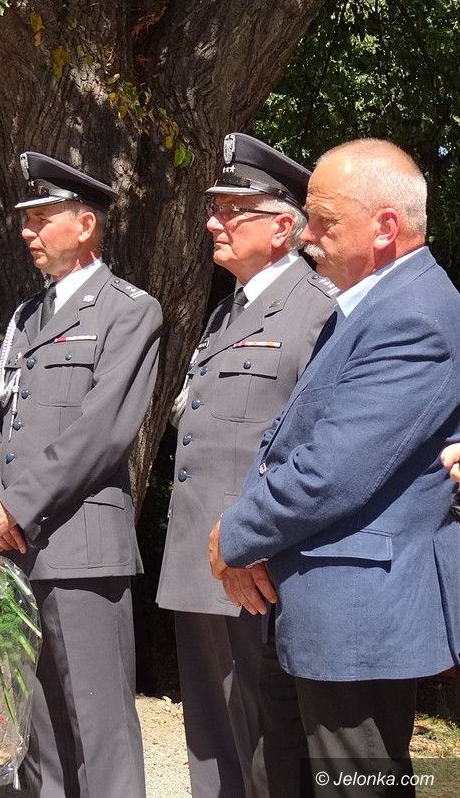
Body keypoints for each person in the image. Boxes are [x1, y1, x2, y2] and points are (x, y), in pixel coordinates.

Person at [210, 139, 460, 795]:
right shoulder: (371, 304)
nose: (305, 234)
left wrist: (235, 536)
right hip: (316, 604)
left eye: (323, 220)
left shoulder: (413, 315)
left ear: (384, 227)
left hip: (355, 619)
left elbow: (332, 470)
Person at [0, 151, 162, 798]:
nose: (28, 231)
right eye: (26, 219)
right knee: (38, 726)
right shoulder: (26, 316)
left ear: (85, 224)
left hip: (80, 548)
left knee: (98, 727)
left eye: (42, 218)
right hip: (15, 546)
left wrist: (13, 507)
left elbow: (101, 431)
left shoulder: (129, 310)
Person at [156, 133, 336, 798]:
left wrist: (253, 541)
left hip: (255, 566)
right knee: (211, 746)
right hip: (201, 559)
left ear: (283, 227)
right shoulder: (230, 310)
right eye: (215, 208)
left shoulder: (317, 310)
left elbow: (314, 447)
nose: (214, 221)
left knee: (263, 752)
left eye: (233, 209)